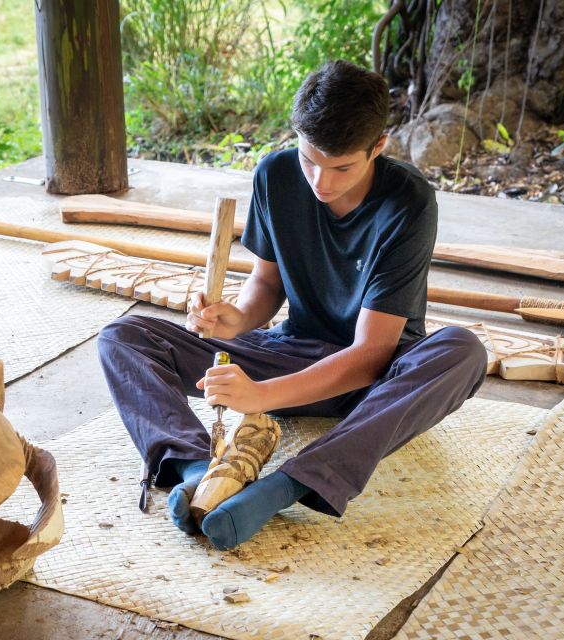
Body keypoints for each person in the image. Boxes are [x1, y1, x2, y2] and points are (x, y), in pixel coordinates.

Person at [97, 60, 488, 551]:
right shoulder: (277, 175)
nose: (320, 181)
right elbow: (266, 282)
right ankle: (199, 469)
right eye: (309, 159)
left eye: (342, 166)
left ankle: (287, 485)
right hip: (291, 352)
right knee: (123, 336)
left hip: (379, 381)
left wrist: (261, 397)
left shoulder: (408, 202)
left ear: (378, 147)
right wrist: (235, 319)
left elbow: (370, 354)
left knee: (463, 351)